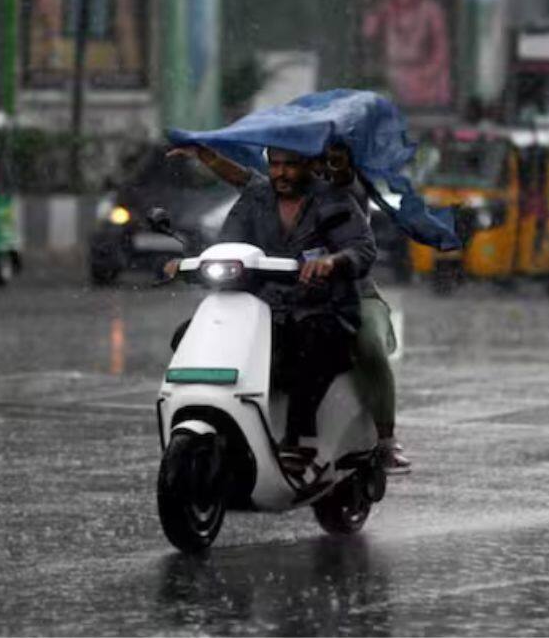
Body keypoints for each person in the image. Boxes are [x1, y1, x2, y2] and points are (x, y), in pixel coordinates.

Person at [170, 142, 413, 474]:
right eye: (276, 164)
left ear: (315, 164)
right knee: (194, 335)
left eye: (291, 164)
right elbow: (232, 235)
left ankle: (381, 439)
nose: (281, 172)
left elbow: (359, 248)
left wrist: (334, 262)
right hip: (278, 298)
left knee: (361, 344)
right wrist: (191, 263)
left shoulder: (339, 194)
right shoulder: (258, 196)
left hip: (343, 296)